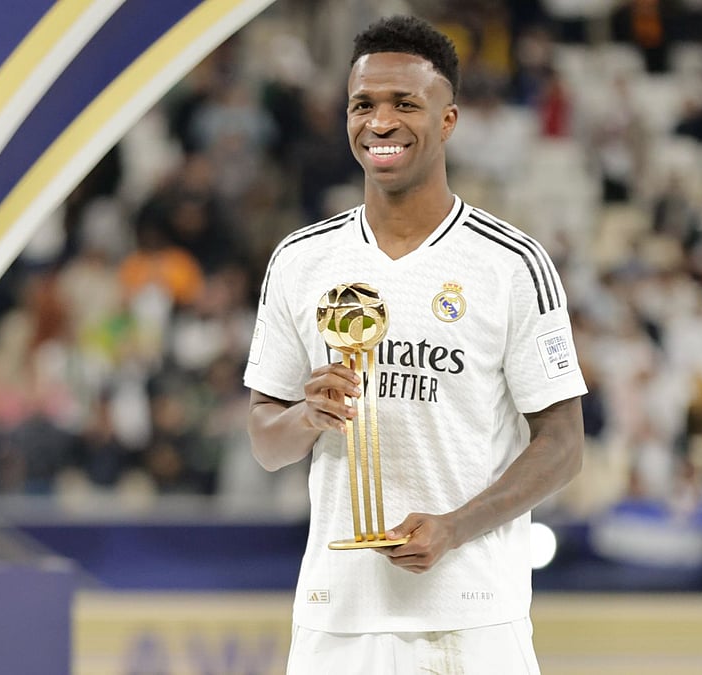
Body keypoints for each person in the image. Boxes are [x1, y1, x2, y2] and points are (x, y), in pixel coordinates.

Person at [243, 15, 588, 674]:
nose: (380, 121)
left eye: (406, 103)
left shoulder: (511, 263)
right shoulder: (300, 259)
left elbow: (565, 445)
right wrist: (305, 417)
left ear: (449, 119)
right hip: (336, 615)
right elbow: (265, 440)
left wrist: (455, 525)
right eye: (363, 104)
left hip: (473, 613)